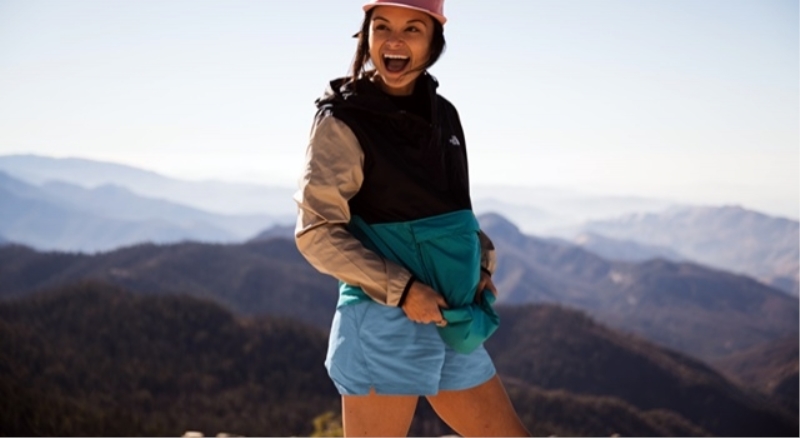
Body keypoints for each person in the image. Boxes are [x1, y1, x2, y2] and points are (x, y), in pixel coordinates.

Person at [294, 0, 530, 436]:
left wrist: (478, 265)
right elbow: (317, 232)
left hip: (451, 316)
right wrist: (402, 290)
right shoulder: (343, 120)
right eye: (382, 26)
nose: (394, 41)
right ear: (366, 35)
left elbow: (453, 212)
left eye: (412, 29)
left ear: (434, 40)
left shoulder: (445, 114)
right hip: (383, 319)